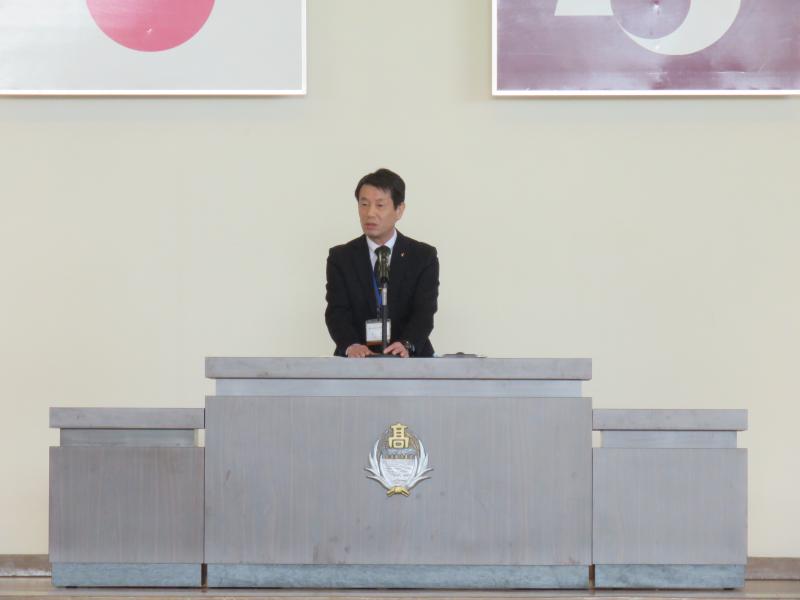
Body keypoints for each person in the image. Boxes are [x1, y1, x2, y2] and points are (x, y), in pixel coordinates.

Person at [325, 168, 439, 358]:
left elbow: (424, 312)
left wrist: (407, 344)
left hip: (409, 361)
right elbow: (337, 312)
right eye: (364, 204)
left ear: (399, 209)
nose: (370, 213)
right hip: (356, 362)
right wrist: (352, 345)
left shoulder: (423, 256)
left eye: (380, 205)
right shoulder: (341, 257)